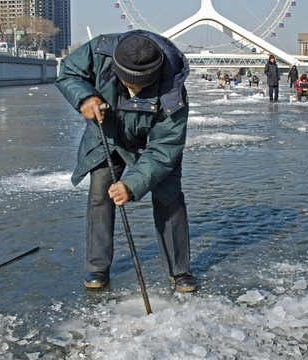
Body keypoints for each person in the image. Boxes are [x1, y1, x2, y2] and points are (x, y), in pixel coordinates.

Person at [55, 30, 197, 292]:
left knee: (170, 197)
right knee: (100, 192)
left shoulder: (173, 89)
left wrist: (131, 185)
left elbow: (164, 148)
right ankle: (97, 265)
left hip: (153, 143)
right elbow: (69, 72)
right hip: (107, 134)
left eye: (140, 85)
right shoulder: (100, 51)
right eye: (128, 82)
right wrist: (85, 97)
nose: (133, 88)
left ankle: (179, 269)